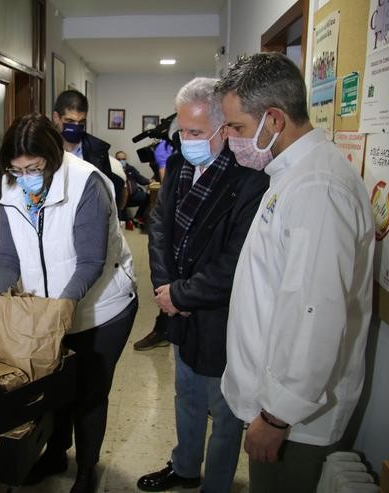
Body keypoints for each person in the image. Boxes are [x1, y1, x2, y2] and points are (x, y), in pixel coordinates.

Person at [216, 52, 375, 492]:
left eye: (237, 127)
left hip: (293, 421)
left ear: (273, 120)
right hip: (275, 409)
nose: (228, 137)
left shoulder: (318, 188)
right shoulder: (291, 174)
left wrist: (275, 415)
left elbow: (313, 315)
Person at [136, 78, 269, 493]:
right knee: (186, 394)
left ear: (223, 129)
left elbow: (237, 260)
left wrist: (183, 294)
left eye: (197, 133)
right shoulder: (179, 164)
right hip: (177, 305)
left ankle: (216, 484)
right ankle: (185, 466)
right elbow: (159, 227)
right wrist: (165, 288)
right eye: (184, 132)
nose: (187, 141)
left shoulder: (250, 178)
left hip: (220, 315)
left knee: (224, 411)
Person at [0, 113, 138, 493]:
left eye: (34, 167)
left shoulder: (86, 183)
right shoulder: (11, 186)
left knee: (89, 395)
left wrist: (58, 312)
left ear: (53, 157)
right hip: (51, 312)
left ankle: (87, 471)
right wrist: (1, 305)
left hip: (101, 309)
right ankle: (55, 454)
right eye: (17, 168)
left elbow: (91, 261)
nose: (25, 176)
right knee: (56, 393)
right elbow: (8, 257)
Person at [52, 90, 125, 206]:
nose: (76, 126)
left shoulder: (98, 150)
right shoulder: (45, 149)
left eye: (81, 122)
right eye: (70, 121)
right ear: (56, 117)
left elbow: (107, 192)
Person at [116, 150, 152, 226]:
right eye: (119, 159)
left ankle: (138, 217)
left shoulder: (131, 169)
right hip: (121, 197)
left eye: (123, 159)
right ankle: (124, 219)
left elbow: (141, 179)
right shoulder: (114, 170)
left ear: (125, 159)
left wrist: (150, 181)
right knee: (123, 221)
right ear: (115, 160)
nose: (121, 161)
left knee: (147, 198)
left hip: (134, 195)